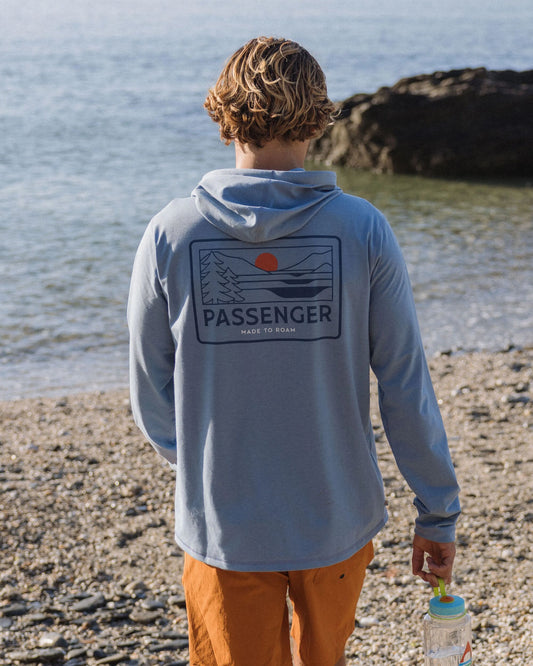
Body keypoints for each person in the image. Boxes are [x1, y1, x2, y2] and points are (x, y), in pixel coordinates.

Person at [127, 36, 461, 666]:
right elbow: (404, 383)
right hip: (335, 515)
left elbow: (149, 390)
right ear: (318, 119)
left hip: (224, 524)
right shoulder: (362, 229)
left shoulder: (172, 232)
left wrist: (208, 470)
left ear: (223, 114)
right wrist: (436, 511)